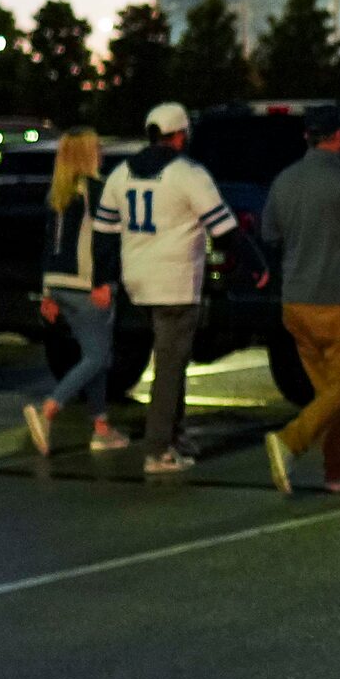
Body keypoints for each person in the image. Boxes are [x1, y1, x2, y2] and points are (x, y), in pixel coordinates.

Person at [95, 101, 256, 474]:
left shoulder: (120, 174)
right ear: (180, 135)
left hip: (137, 280)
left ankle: (176, 433)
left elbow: (103, 233)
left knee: (171, 360)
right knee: (170, 366)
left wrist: (102, 279)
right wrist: (257, 267)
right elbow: (224, 229)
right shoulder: (187, 174)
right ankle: (159, 448)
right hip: (176, 281)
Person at [258, 106, 340, 494]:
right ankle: (290, 441)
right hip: (336, 300)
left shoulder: (283, 180)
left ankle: (339, 470)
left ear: (306, 138)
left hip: (295, 303)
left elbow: (269, 233)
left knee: (326, 392)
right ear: (339, 136)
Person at [23, 130, 130, 456]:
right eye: (97, 147)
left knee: (93, 355)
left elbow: (48, 246)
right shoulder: (95, 190)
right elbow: (105, 241)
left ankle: (101, 426)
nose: (101, 152)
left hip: (58, 282)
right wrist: (103, 282)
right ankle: (50, 409)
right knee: (98, 357)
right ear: (86, 154)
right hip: (86, 284)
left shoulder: (57, 194)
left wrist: (47, 293)